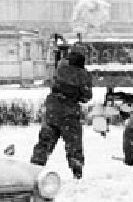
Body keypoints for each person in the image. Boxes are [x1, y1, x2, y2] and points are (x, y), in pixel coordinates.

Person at [31, 47, 93, 180]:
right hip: (69, 114)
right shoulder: (83, 74)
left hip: (53, 110)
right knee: (74, 144)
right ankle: (77, 172)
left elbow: (53, 82)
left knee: (44, 143)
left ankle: (34, 169)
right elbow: (87, 96)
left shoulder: (60, 67)